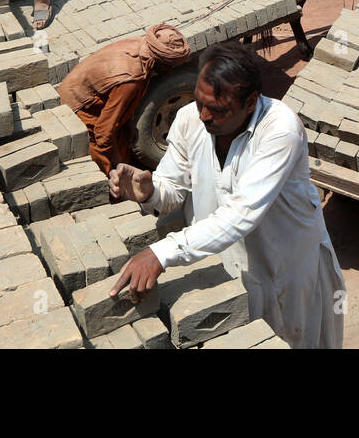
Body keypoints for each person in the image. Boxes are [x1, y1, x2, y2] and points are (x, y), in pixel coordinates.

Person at [109, 42, 345, 349]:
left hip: (288, 269)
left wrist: (162, 253)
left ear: (250, 103)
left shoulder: (280, 130)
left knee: (297, 341)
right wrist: (150, 191)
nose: (205, 116)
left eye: (218, 109)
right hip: (229, 269)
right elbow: (173, 189)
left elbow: (241, 214)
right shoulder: (188, 119)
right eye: (199, 102)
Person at [58, 24, 190, 175]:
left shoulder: (142, 45)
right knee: (111, 173)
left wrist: (129, 124)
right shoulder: (130, 81)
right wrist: (118, 164)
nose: (170, 71)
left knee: (122, 143)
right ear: (160, 60)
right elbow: (103, 133)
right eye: (169, 65)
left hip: (85, 92)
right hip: (78, 107)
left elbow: (121, 105)